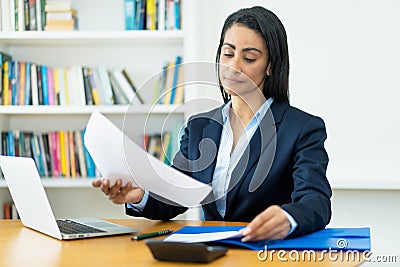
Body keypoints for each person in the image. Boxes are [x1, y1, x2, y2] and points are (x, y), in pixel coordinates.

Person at [92, 6, 331, 241]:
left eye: (248, 58)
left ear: (270, 66)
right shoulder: (199, 127)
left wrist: (288, 218)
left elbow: (315, 201)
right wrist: (140, 196)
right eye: (228, 54)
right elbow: (175, 195)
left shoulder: (302, 129)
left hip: (267, 253)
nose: (233, 67)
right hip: (212, 253)